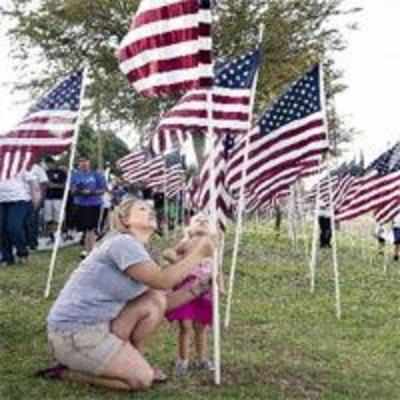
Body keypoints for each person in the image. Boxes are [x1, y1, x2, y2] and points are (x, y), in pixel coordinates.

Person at [45, 197, 216, 391]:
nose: (150, 211)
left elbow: (163, 302)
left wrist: (200, 287)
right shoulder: (121, 243)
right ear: (125, 220)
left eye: (151, 208)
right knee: (141, 380)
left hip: (103, 325)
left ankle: (126, 356)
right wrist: (199, 254)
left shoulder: (140, 250)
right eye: (142, 209)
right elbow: (163, 280)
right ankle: (67, 371)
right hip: (74, 332)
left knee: (154, 300)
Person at [164, 213, 214, 376]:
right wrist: (175, 260)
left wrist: (221, 286)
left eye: (205, 221)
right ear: (190, 227)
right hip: (186, 286)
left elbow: (217, 268)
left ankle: (202, 358)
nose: (201, 222)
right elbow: (169, 253)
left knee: (201, 327)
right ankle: (182, 359)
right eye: (197, 220)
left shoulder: (212, 245)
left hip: (204, 288)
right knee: (185, 326)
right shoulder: (186, 243)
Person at [0, 170, 41, 266]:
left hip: (20, 200)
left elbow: (34, 184)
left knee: (14, 228)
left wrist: (36, 200)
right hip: (1, 201)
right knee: (1, 230)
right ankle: (7, 258)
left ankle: (22, 253)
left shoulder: (20, 164)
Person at [71, 158, 106, 258]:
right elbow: (72, 191)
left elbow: (103, 190)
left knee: (92, 228)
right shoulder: (76, 175)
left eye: (86, 161)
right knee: (85, 228)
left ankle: (90, 250)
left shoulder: (96, 174)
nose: (84, 163)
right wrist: (80, 191)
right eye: (81, 161)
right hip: (80, 204)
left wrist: (91, 192)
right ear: (79, 163)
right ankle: (89, 249)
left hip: (94, 204)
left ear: (89, 163)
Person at [25, 163, 48, 250]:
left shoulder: (38, 168)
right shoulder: (21, 167)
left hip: (35, 198)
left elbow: (44, 184)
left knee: (33, 221)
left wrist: (41, 198)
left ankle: (33, 243)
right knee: (25, 221)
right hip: (22, 198)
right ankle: (26, 241)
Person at [44, 157, 67, 244]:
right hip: (48, 198)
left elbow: (65, 185)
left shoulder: (61, 172)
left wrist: (53, 185)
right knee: (49, 218)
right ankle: (52, 236)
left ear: (53, 163)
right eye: (47, 164)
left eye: (49, 163)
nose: (48, 166)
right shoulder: (46, 172)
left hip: (58, 197)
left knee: (59, 218)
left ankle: (61, 234)